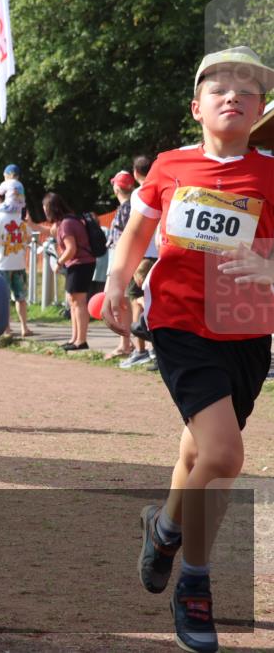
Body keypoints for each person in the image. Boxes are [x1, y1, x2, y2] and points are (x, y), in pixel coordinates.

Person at [101, 46, 274, 653]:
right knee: (225, 455)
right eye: (220, 88)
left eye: (248, 91)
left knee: (199, 447)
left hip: (249, 332)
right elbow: (134, 235)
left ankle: (166, 526)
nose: (234, 96)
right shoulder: (170, 167)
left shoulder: (272, 174)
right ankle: (194, 585)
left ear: (261, 111)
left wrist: (269, 264)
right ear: (196, 106)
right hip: (178, 324)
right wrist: (117, 283)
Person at [120, 154, 159, 370]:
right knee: (153, 300)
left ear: (135, 173)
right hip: (160, 254)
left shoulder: (138, 194)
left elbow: (133, 229)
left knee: (137, 300)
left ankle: (141, 349)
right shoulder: (162, 188)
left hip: (143, 255)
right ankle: (154, 351)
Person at [45, 192, 95, 350]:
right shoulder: (66, 221)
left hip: (81, 264)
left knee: (78, 302)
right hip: (78, 264)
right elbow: (48, 230)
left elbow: (71, 249)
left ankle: (81, 340)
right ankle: (75, 338)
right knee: (72, 301)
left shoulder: (66, 223)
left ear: (51, 207)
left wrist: (59, 262)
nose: (44, 211)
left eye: (45, 207)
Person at [0, 189, 32, 338]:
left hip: (1, 264)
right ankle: (24, 327)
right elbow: (29, 238)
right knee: (21, 298)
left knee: (3, 298)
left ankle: (7, 328)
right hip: (18, 263)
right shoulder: (21, 220)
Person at [104, 170, 136, 359]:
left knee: (120, 302)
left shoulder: (126, 208)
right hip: (124, 259)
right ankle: (126, 342)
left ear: (117, 187)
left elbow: (126, 238)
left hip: (120, 260)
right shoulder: (130, 206)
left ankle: (125, 343)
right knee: (125, 302)